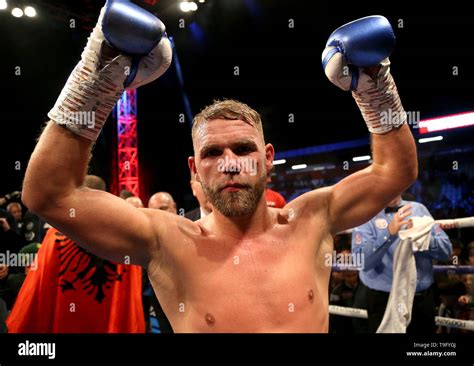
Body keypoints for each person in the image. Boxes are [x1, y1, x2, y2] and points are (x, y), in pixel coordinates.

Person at [22, 5, 417, 332]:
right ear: (194, 168)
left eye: (243, 149)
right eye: (212, 154)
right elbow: (49, 194)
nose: (228, 163)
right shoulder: (166, 239)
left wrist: (374, 85)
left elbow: (394, 172)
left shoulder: (312, 218)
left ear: (266, 158)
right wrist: (97, 80)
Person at [7, 175, 145, 333]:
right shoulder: (126, 239)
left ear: (76, 196)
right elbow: (131, 300)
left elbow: (34, 295)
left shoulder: (55, 237)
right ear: (104, 196)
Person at [351, 195, 452, 333]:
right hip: (384, 300)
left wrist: (423, 238)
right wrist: (388, 233)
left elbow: (446, 251)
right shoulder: (366, 214)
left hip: (422, 299)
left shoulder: (419, 210)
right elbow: (361, 261)